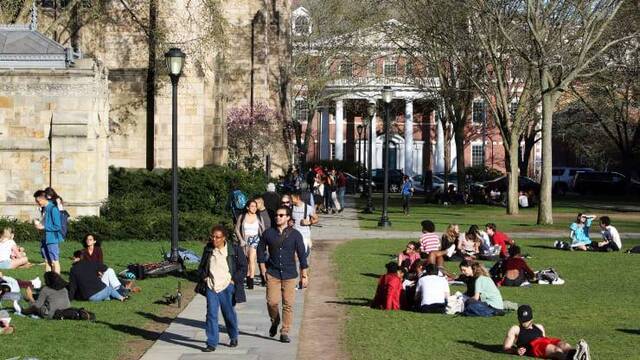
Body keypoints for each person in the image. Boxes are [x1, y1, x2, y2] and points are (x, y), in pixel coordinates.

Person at [257, 206, 309, 344]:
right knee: (272, 302)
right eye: (277, 215)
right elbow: (260, 250)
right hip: (273, 273)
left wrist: (304, 275)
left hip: (289, 274)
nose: (278, 217)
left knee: (288, 304)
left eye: (281, 215)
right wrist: (263, 270)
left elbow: (302, 255)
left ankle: (285, 331)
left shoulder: (295, 234)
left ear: (288, 218)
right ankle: (275, 321)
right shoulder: (268, 233)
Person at [197, 225, 247, 352]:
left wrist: (233, 280)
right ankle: (212, 342)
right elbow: (202, 267)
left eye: (218, 237)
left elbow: (243, 267)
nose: (214, 239)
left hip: (227, 286)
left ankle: (233, 335)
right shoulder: (208, 249)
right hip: (211, 287)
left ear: (224, 238)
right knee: (211, 314)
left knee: (228, 313)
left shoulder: (234, 249)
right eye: (212, 237)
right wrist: (205, 278)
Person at [504, 305, 590, 359]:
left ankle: (578, 354)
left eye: (527, 320)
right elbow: (506, 348)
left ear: (532, 318)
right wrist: (516, 351)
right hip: (533, 346)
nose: (524, 322)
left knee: (565, 345)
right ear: (518, 318)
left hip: (545, 341)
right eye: (522, 320)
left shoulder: (539, 326)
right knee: (556, 350)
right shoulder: (515, 329)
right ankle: (575, 357)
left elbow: (545, 341)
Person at [234, 200, 266, 290]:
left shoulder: (259, 217)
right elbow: (236, 229)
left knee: (252, 259)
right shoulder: (242, 216)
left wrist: (264, 242)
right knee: (246, 261)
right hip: (244, 240)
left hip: (255, 239)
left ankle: (251, 280)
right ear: (247, 207)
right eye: (252, 206)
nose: (254, 208)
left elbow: (263, 230)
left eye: (255, 206)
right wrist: (240, 239)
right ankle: (248, 278)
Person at [33, 189, 63, 274]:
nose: (37, 203)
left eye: (38, 201)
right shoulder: (45, 209)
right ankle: (49, 283)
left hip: (52, 239)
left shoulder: (53, 208)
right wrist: (39, 225)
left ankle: (57, 284)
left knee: (54, 262)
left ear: (43, 198)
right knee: (47, 261)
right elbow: (45, 223)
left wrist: (44, 227)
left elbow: (57, 226)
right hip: (44, 238)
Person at [291, 191, 319, 261]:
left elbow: (316, 219)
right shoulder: (291, 208)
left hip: (304, 234)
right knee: (295, 256)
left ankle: (303, 268)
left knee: (303, 255)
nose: (290, 200)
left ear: (297, 198)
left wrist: (309, 222)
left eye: (292, 198)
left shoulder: (308, 208)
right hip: (293, 234)